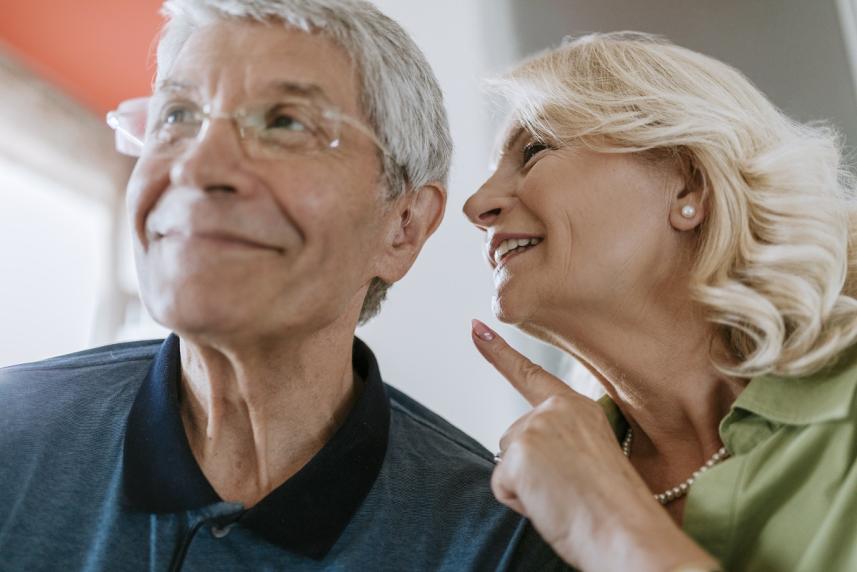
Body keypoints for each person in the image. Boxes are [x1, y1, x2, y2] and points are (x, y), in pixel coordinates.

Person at [0, 1, 566, 570]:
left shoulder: (494, 541)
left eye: (285, 123)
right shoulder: (11, 432)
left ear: (403, 226)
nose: (197, 168)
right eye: (177, 116)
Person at [463, 32, 857, 571]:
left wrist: (605, 524)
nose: (477, 205)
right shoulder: (525, 496)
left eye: (535, 151)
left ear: (688, 186)